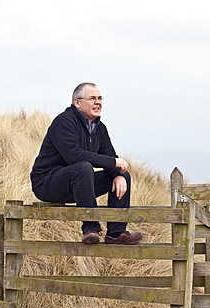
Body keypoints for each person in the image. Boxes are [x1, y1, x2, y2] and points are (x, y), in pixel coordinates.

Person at [31, 82, 143, 245]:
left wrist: (117, 175)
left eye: (100, 98)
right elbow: (73, 156)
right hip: (48, 183)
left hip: (79, 185)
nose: (98, 102)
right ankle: (91, 229)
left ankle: (116, 233)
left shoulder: (99, 128)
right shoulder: (64, 121)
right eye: (92, 98)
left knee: (123, 175)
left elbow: (109, 155)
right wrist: (112, 162)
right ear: (77, 102)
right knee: (83, 167)